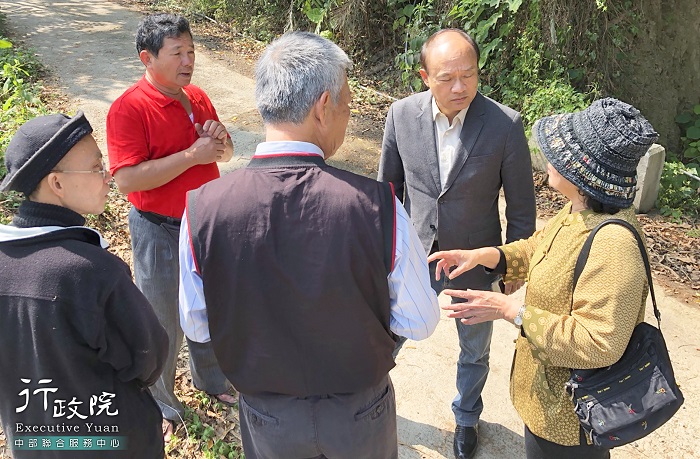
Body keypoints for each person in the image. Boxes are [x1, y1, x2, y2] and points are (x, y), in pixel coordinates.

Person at [178, 31, 440, 459]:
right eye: (348, 105)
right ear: (323, 107)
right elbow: (420, 321)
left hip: (268, 415)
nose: (348, 116)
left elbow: (198, 325)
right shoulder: (378, 208)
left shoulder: (203, 209)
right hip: (358, 414)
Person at [428, 98, 658, 459]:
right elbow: (541, 247)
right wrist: (487, 256)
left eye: (559, 153)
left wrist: (510, 310)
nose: (548, 157)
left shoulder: (614, 246)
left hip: (570, 420)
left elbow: (599, 342)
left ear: (583, 173)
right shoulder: (578, 211)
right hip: (547, 400)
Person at [378, 28, 536, 458]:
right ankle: (367, 400)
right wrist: (381, 254)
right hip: (417, 255)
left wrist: (511, 270)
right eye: (447, 77)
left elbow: (522, 208)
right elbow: (387, 192)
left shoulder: (504, 124)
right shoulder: (401, 115)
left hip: (476, 261)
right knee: (388, 336)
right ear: (424, 75)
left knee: (475, 351)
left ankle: (467, 416)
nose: (460, 87)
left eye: (469, 75)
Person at [0, 112, 169, 458]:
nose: (107, 176)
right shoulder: (92, 272)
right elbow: (149, 359)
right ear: (57, 184)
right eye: (95, 168)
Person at [106, 13, 235, 440]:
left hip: (204, 222)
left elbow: (225, 154)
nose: (188, 60)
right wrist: (192, 157)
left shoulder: (196, 96)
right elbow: (125, 180)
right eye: (177, 52)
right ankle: (161, 399)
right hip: (158, 229)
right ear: (148, 58)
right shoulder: (130, 108)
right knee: (162, 319)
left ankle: (212, 380)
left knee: (210, 307)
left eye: (192, 51)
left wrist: (218, 140)